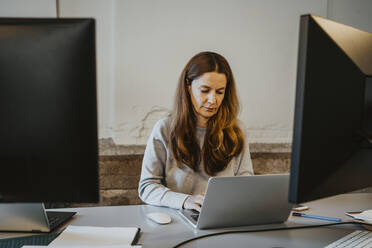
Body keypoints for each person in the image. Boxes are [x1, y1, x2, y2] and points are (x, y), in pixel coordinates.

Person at [138, 51, 254, 212]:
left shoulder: (236, 130)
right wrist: (185, 201)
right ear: (188, 86)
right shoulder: (164, 129)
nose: (213, 100)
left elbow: (246, 182)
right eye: (205, 90)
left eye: (220, 92)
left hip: (224, 216)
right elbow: (147, 187)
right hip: (178, 218)